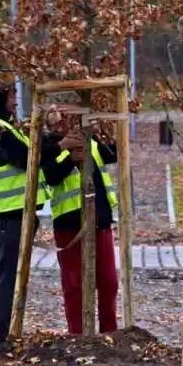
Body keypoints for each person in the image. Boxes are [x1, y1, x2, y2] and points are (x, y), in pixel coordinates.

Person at [0, 84, 81, 356]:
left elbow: (33, 148)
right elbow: (26, 157)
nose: (14, 102)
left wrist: (57, 141)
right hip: (6, 217)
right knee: (5, 277)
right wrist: (60, 144)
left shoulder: (5, 129)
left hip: (15, 215)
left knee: (10, 276)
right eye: (10, 97)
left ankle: (6, 337)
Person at [44, 113, 120, 335]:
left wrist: (105, 130)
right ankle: (77, 334)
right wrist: (69, 156)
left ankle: (109, 332)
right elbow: (51, 176)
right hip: (70, 225)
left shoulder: (90, 139)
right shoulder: (49, 145)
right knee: (74, 284)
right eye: (57, 119)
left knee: (108, 282)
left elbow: (113, 153)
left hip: (100, 221)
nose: (63, 122)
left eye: (66, 117)